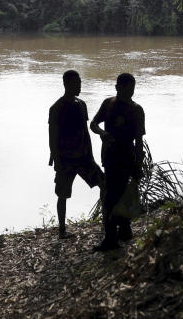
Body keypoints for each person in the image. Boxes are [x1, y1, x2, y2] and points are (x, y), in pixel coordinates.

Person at [90, 72, 145, 251]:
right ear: (117, 88)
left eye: (133, 88)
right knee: (113, 195)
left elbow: (139, 141)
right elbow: (93, 124)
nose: (132, 92)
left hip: (127, 157)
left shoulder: (137, 110)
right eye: (128, 88)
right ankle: (121, 232)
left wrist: (139, 164)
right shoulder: (108, 104)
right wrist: (102, 133)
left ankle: (113, 238)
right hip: (110, 156)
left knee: (114, 196)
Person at [48, 70, 105, 239]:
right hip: (65, 159)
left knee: (104, 183)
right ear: (66, 84)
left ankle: (105, 219)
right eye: (76, 83)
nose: (79, 86)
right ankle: (62, 230)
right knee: (63, 195)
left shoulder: (82, 104)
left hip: (83, 157)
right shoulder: (56, 108)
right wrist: (57, 160)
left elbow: (85, 133)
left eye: (80, 83)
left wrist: (92, 156)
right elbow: (53, 137)